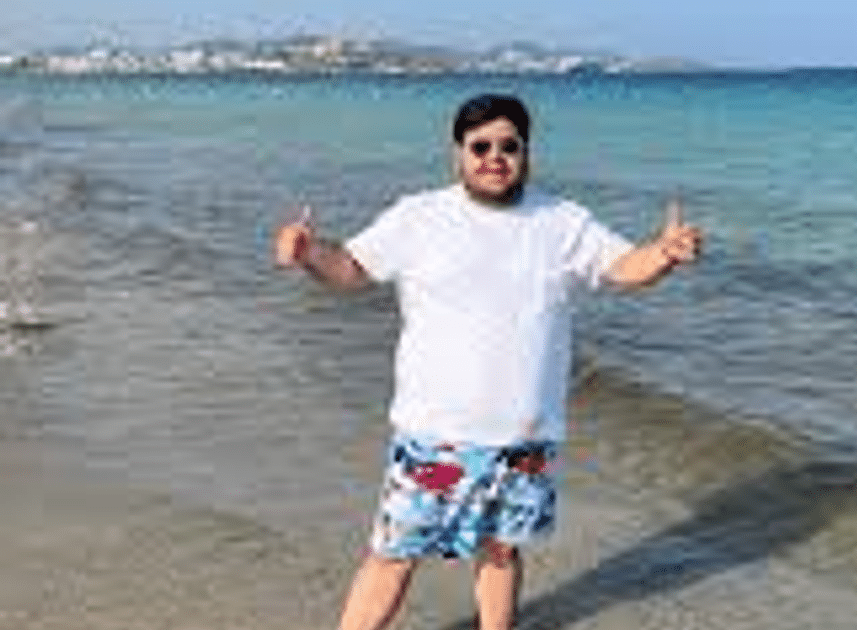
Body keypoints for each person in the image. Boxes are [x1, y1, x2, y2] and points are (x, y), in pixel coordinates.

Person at [274, 93, 702, 630]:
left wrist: (663, 254)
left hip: (524, 440)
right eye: (480, 146)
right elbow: (353, 267)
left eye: (509, 146)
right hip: (435, 435)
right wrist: (308, 253)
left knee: (501, 552)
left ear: (526, 152)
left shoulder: (561, 221)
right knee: (393, 555)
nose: (494, 157)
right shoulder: (420, 216)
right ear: (458, 153)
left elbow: (622, 266)